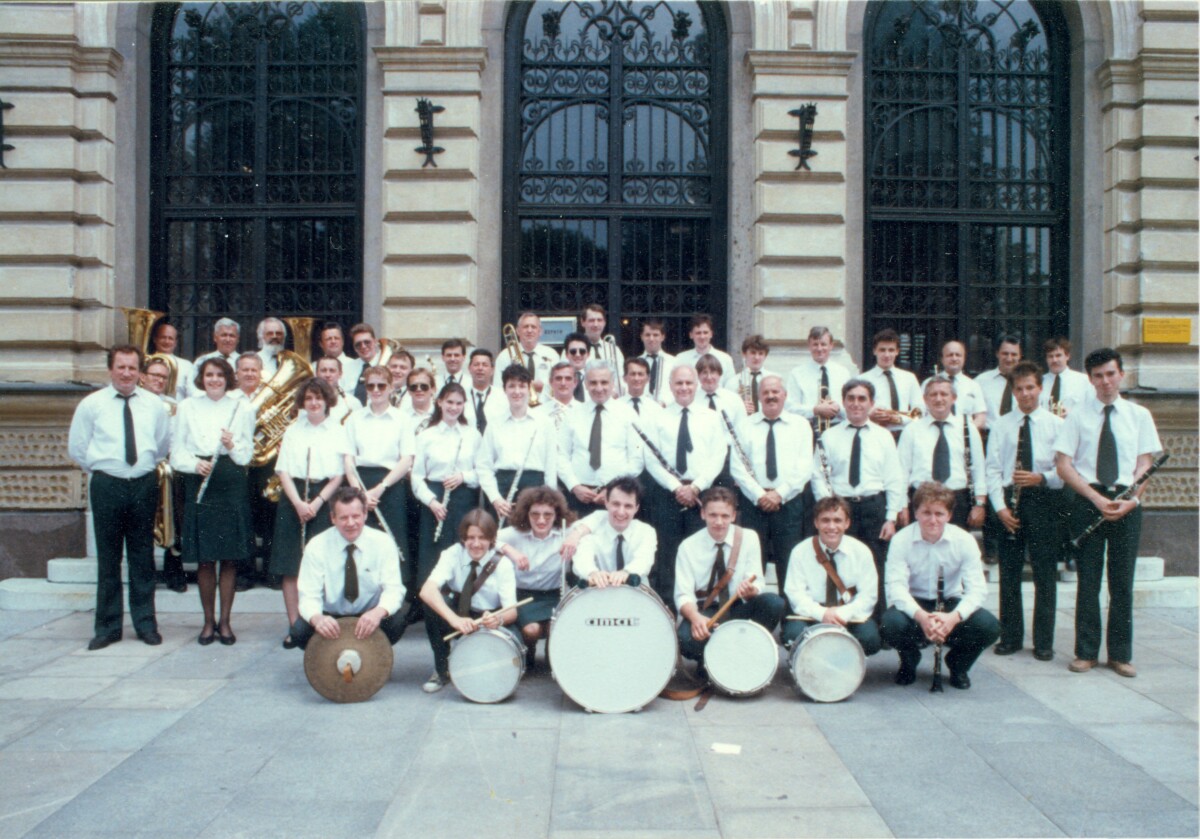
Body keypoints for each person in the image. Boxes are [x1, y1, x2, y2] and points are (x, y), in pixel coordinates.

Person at [1055, 348, 1162, 678]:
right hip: (1089, 501)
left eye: (1111, 374)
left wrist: (1131, 499)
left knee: (1122, 583)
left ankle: (1120, 654)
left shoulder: (1138, 415)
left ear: (1122, 375)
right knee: (1088, 580)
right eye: (1098, 376)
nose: (1105, 381)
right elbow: (1063, 465)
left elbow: (1144, 463)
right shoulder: (1076, 415)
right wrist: (1095, 498)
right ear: (1090, 380)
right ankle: (1086, 652)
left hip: (1127, 503)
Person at [68, 344, 171, 649]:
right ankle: (107, 627)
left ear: (140, 372)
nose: (127, 373)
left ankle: (145, 624)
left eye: (132, 367)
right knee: (108, 557)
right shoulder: (91, 404)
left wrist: (139, 469)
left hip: (142, 483)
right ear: (110, 369)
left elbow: (162, 444)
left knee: (142, 556)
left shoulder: (154, 405)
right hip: (107, 484)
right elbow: (78, 448)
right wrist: (107, 469)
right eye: (121, 367)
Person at [881, 482, 1000, 690]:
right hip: (915, 604)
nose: (933, 520)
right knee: (890, 623)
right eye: (926, 512)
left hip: (950, 603)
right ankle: (909, 660)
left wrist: (954, 617)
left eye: (939, 513)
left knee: (989, 626)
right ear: (915, 512)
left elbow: (977, 590)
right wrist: (922, 617)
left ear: (949, 515)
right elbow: (896, 588)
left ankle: (958, 665)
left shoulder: (964, 540)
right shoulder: (901, 540)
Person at [171, 357, 256, 645]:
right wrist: (195, 464)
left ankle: (226, 622)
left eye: (220, 375)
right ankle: (207, 622)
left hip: (230, 481)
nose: (215, 380)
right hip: (201, 479)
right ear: (201, 378)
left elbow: (247, 455)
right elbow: (176, 451)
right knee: (206, 560)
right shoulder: (187, 407)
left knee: (229, 558)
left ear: (228, 377)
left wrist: (233, 445)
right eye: (209, 375)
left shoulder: (241, 407)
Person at [985, 361, 1064, 660]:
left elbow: (1065, 469)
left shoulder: (1056, 425)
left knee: (1045, 574)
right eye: (1020, 389)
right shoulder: (1002, 424)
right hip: (1011, 502)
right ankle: (1011, 637)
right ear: (1013, 391)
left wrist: (1041, 478)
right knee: (1009, 574)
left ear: (1040, 389)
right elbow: (992, 469)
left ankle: (1044, 641)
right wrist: (1000, 508)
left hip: (1043, 500)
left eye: (1031, 387)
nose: (1026, 393)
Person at [812, 379, 905, 616]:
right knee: (841, 562)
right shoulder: (829, 436)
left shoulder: (884, 437)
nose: (856, 404)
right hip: (841, 508)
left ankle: (876, 622)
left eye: (862, 399)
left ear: (871, 403)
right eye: (851, 398)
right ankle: (843, 616)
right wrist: (829, 510)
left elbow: (894, 478)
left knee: (875, 565)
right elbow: (818, 476)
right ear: (843, 402)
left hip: (873, 506)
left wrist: (891, 517)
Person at [675, 487, 786, 676]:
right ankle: (711, 659)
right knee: (685, 638)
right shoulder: (688, 546)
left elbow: (758, 582)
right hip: (706, 611)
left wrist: (751, 590)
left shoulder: (748, 537)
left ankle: (740, 654)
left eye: (725, 516)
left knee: (773, 603)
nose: (719, 522)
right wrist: (695, 618)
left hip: (736, 606)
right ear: (702, 514)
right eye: (713, 515)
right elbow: (683, 594)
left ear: (734, 516)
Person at [272, 377, 348, 649]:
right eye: (308, 399)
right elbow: (283, 471)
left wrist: (315, 504)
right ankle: (296, 626)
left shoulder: (338, 430)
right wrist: (298, 504)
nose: (314, 403)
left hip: (324, 499)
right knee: (291, 566)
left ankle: (321, 623)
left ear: (327, 401)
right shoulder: (293, 429)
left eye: (319, 398)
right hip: (294, 499)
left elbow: (339, 475)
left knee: (323, 564)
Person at [642, 365, 726, 608]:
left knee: (701, 551)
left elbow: (717, 456)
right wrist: (676, 487)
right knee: (667, 553)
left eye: (689, 383)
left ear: (697, 385)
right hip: (669, 494)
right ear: (671, 386)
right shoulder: (658, 417)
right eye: (679, 383)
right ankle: (666, 608)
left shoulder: (711, 417)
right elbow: (651, 459)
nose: (684, 388)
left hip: (702, 494)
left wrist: (696, 487)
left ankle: (701, 607)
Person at [290, 486, 408, 650]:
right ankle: (326, 658)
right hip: (331, 617)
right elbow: (308, 594)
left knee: (396, 621)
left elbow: (394, 589)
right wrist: (317, 619)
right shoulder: (316, 545)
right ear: (333, 518)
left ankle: (371, 656)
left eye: (356, 516)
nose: (351, 523)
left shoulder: (383, 542)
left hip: (368, 615)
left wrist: (378, 612)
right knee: (299, 632)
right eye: (344, 517)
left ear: (365, 514)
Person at [418, 509, 518, 693]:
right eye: (470, 538)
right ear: (463, 538)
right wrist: (454, 620)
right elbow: (427, 590)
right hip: (458, 614)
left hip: (489, 617)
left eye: (482, 538)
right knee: (431, 605)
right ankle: (441, 669)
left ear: (492, 539)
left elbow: (512, 610)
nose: (476, 544)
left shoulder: (503, 564)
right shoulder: (453, 554)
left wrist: (498, 619)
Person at [730, 375, 811, 593]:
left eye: (775, 392)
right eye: (765, 392)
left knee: (790, 563)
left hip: (789, 503)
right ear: (759, 397)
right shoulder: (744, 426)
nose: (771, 396)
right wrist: (760, 495)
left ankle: (789, 621)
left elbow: (804, 468)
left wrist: (779, 494)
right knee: (752, 564)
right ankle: (754, 618)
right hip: (754, 503)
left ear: (785, 395)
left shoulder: (801, 425)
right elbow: (737, 467)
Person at [411, 382, 482, 614]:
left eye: (459, 403)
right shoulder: (426, 435)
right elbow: (417, 477)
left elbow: (482, 472)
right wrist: (431, 502)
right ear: (439, 402)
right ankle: (435, 614)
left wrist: (463, 476)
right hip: (434, 501)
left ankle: (463, 610)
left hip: (463, 500)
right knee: (435, 558)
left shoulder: (472, 434)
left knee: (463, 554)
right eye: (449, 402)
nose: (454, 407)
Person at [782, 497, 881, 656]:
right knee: (792, 635)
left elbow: (868, 596)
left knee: (870, 639)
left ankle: (843, 663)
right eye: (825, 520)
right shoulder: (800, 551)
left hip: (847, 615)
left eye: (837, 520)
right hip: (813, 614)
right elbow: (795, 593)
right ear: (816, 523)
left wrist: (842, 614)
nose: (831, 526)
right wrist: (822, 614)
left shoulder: (861, 552)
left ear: (847, 523)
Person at [496, 486, 573, 666]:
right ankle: (528, 649)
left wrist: (575, 537)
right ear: (526, 514)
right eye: (535, 514)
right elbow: (488, 537)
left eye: (548, 514)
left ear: (557, 515)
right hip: (523, 596)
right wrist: (510, 550)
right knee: (532, 630)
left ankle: (551, 652)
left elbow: (589, 529)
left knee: (555, 629)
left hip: (554, 595)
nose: (541, 520)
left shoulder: (564, 533)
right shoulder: (515, 534)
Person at [897, 375, 986, 530]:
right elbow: (901, 471)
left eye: (944, 394)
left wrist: (979, 504)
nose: (939, 399)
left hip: (957, 500)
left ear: (954, 398)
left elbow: (979, 469)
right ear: (925, 399)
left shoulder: (968, 429)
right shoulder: (912, 430)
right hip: (921, 499)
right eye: (933, 394)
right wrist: (902, 505)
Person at [556, 359, 643, 517]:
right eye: (593, 382)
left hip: (616, 498)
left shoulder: (628, 414)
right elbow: (561, 456)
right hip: (578, 497)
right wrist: (574, 486)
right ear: (586, 384)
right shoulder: (572, 415)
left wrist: (612, 489)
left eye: (604, 382)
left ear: (613, 384)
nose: (599, 388)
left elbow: (636, 459)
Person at [343, 365, 412, 560]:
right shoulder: (354, 419)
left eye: (381, 386)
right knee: (361, 541)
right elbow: (348, 458)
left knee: (393, 541)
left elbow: (406, 459)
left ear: (391, 388)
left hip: (390, 485)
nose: (375, 390)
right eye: (370, 386)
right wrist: (360, 493)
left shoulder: (402, 419)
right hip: (360, 483)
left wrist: (381, 488)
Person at [478, 365, 557, 522]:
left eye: (522, 386)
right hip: (502, 491)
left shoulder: (545, 423)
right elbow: (483, 466)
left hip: (536, 489)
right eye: (511, 386)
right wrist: (495, 499)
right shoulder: (494, 424)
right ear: (504, 389)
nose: (517, 391)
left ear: (529, 388)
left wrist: (549, 500)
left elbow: (551, 466)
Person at [139, 356, 186, 592]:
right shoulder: (135, 402)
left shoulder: (173, 405)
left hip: (169, 466)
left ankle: (173, 568)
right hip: (144, 467)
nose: (159, 380)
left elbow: (178, 436)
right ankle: (146, 570)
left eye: (163, 377)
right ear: (143, 377)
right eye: (154, 375)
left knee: (173, 518)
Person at [561, 476, 657, 588]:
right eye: (616, 504)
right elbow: (582, 559)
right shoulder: (590, 528)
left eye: (628, 506)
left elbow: (644, 560)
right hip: (599, 592)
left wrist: (626, 572)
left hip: (635, 595)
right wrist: (592, 573)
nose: (621, 512)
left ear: (636, 508)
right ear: (606, 503)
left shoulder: (646, 532)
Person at [232, 353, 275, 590]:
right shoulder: (229, 399)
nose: (249, 374)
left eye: (253, 370)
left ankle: (270, 571)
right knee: (243, 518)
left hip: (265, 465)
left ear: (260, 373)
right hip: (239, 466)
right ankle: (245, 573)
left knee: (270, 516)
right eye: (244, 370)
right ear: (237, 374)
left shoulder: (270, 399)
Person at [785, 326, 851, 433]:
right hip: (808, 429)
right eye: (815, 344)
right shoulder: (797, 373)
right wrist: (815, 410)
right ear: (809, 346)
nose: (819, 349)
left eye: (823, 344)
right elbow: (790, 408)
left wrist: (838, 408)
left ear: (831, 346)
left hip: (839, 429)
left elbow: (851, 406)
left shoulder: (843, 373)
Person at [696, 354, 744, 490]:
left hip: (728, 458)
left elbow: (742, 433)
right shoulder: (692, 400)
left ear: (720, 374)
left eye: (713, 372)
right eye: (704, 372)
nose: (709, 377)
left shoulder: (733, 399)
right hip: (702, 455)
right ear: (698, 375)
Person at [861, 328, 923, 434]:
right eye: (882, 350)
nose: (887, 355)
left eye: (891, 350)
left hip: (904, 434)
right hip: (875, 434)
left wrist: (899, 419)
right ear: (874, 351)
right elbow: (856, 411)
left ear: (897, 351)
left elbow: (920, 411)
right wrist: (870, 415)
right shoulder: (862, 380)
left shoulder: (909, 378)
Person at [494, 311, 559, 399]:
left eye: (533, 327)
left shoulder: (552, 355)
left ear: (540, 331)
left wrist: (543, 387)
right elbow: (498, 388)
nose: (529, 330)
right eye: (525, 327)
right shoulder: (504, 356)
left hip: (545, 407)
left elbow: (558, 386)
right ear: (517, 331)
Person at [924, 340, 986, 428]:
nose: (954, 358)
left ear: (964, 358)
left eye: (958, 355)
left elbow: (981, 417)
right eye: (950, 355)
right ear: (942, 359)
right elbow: (921, 413)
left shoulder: (973, 385)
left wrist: (966, 432)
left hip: (964, 436)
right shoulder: (929, 383)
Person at [975, 334, 1023, 431]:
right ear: (997, 353)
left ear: (1020, 356)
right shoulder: (981, 381)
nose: (1009, 359)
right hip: (989, 437)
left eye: (1014, 354)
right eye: (1005, 353)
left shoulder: (1027, 383)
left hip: (1018, 438)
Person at [675, 314, 735, 390]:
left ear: (711, 334)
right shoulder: (681, 359)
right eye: (698, 333)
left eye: (705, 332)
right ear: (691, 335)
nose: (702, 337)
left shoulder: (725, 359)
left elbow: (731, 387)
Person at [724, 334, 776, 415]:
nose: (757, 357)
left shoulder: (774, 380)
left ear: (765, 356)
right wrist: (740, 407)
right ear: (744, 354)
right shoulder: (733, 382)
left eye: (761, 353)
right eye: (753, 353)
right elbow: (726, 408)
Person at [580, 304, 625, 394]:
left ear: (604, 322)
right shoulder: (573, 350)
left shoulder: (614, 350)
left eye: (599, 320)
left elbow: (620, 378)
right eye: (591, 320)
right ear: (583, 322)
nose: (596, 324)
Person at [1041, 337, 1089, 416]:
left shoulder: (1084, 381)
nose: (1054, 360)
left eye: (1058, 355)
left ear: (1067, 356)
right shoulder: (1039, 381)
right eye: (1050, 356)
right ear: (1046, 359)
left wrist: (1071, 414)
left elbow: (1091, 409)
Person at [462, 348, 506, 434]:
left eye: (485, 365)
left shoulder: (503, 396)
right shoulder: (461, 396)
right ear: (469, 368)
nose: (480, 368)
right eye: (476, 364)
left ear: (492, 370)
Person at [148, 319, 193, 402]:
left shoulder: (187, 365)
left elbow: (191, 394)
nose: (167, 341)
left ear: (175, 343)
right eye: (163, 337)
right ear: (155, 339)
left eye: (170, 338)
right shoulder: (146, 362)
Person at [637, 318, 675, 404]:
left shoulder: (673, 362)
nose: (651, 339)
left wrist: (665, 403)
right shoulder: (636, 363)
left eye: (655, 335)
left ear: (662, 337)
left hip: (666, 409)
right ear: (642, 337)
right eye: (647, 335)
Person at [316, 356, 362, 424]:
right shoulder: (307, 402)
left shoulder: (353, 403)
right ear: (316, 373)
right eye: (323, 370)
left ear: (340, 374)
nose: (328, 375)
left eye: (332, 370)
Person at [536, 360, 581, 429]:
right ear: (550, 382)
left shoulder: (584, 412)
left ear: (575, 382)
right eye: (558, 378)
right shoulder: (539, 412)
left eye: (568, 378)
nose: (563, 383)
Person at [317, 321, 359, 393]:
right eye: (328, 339)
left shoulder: (357, 365)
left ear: (342, 341)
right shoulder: (313, 367)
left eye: (336, 338)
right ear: (321, 344)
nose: (333, 341)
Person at [347, 323, 383, 401]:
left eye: (367, 342)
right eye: (358, 344)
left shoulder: (386, 365)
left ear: (375, 342)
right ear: (354, 348)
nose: (363, 346)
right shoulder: (346, 368)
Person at [562, 332, 591, 402]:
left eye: (582, 351)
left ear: (588, 354)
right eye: (573, 351)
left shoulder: (595, 378)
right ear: (566, 354)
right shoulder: (557, 378)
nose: (578, 355)